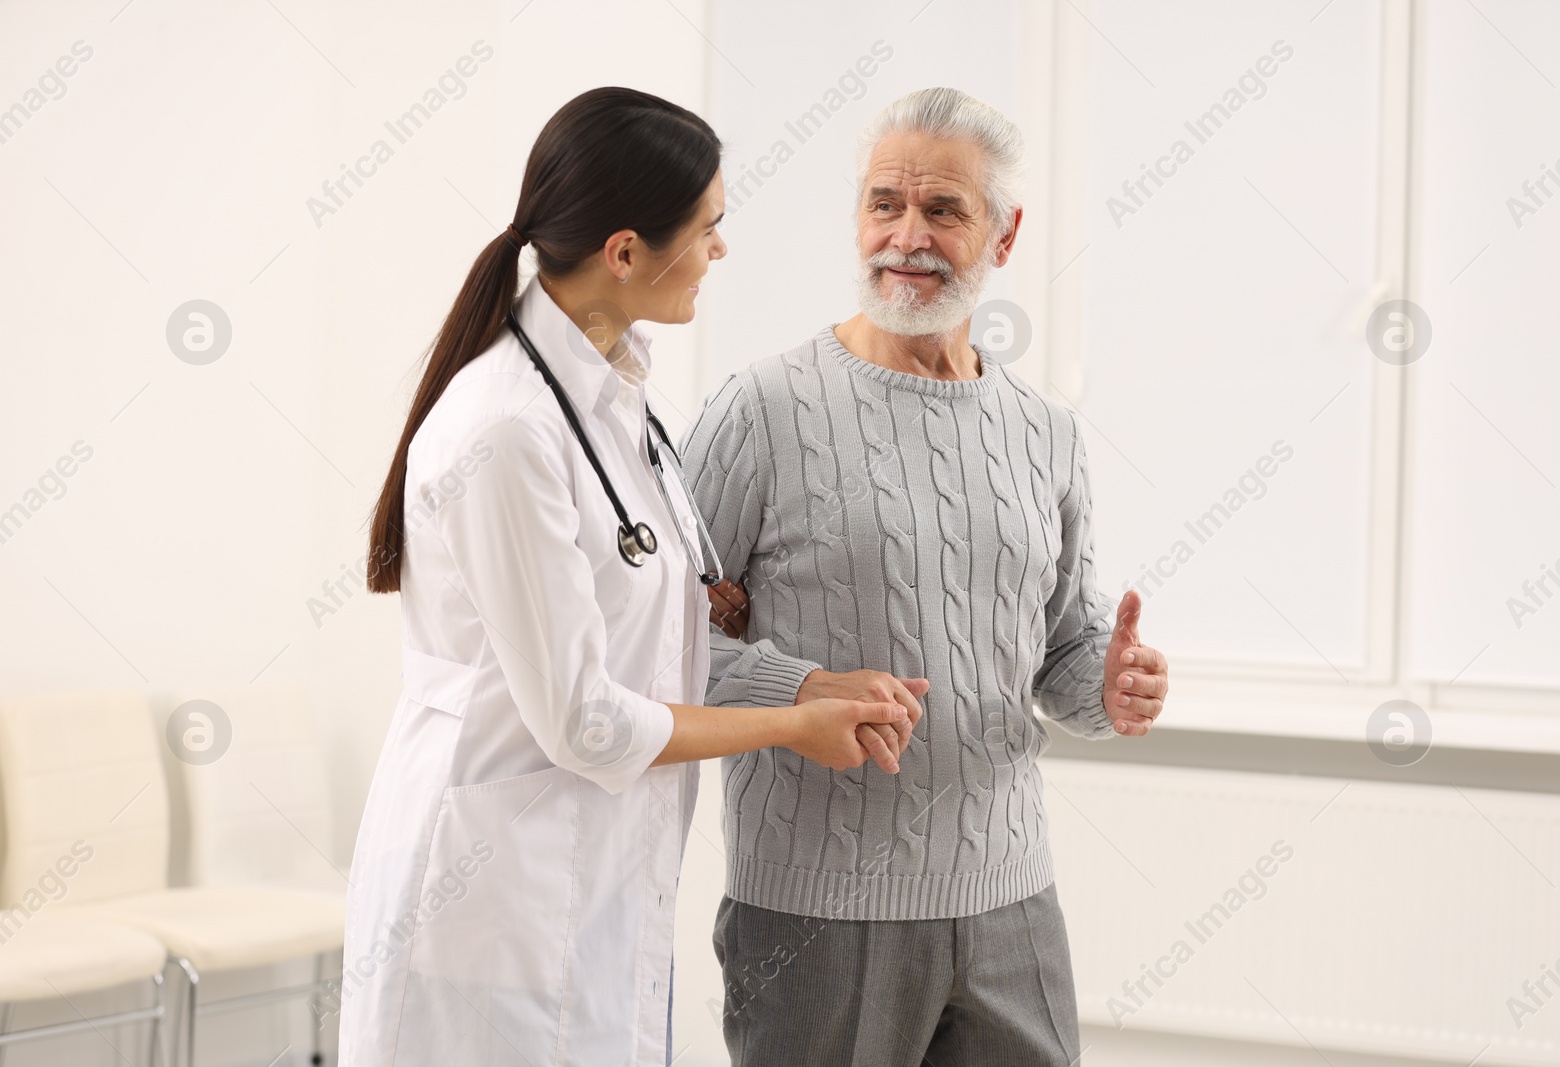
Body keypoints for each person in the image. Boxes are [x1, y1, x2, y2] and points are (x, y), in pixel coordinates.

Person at [340, 86, 914, 1067]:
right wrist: (792, 725)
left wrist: (801, 677)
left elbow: (645, 617)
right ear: (623, 251)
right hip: (494, 896)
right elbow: (586, 719)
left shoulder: (617, 398)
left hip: (590, 881)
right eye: (708, 228)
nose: (720, 251)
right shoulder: (508, 429)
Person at [679, 88, 1171, 1066]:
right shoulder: (760, 410)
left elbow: (1063, 655)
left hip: (1011, 899)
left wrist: (1108, 690)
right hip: (815, 914)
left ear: (1004, 232)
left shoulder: (1047, 433)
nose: (906, 235)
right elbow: (660, 646)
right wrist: (797, 686)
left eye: (942, 210)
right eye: (882, 203)